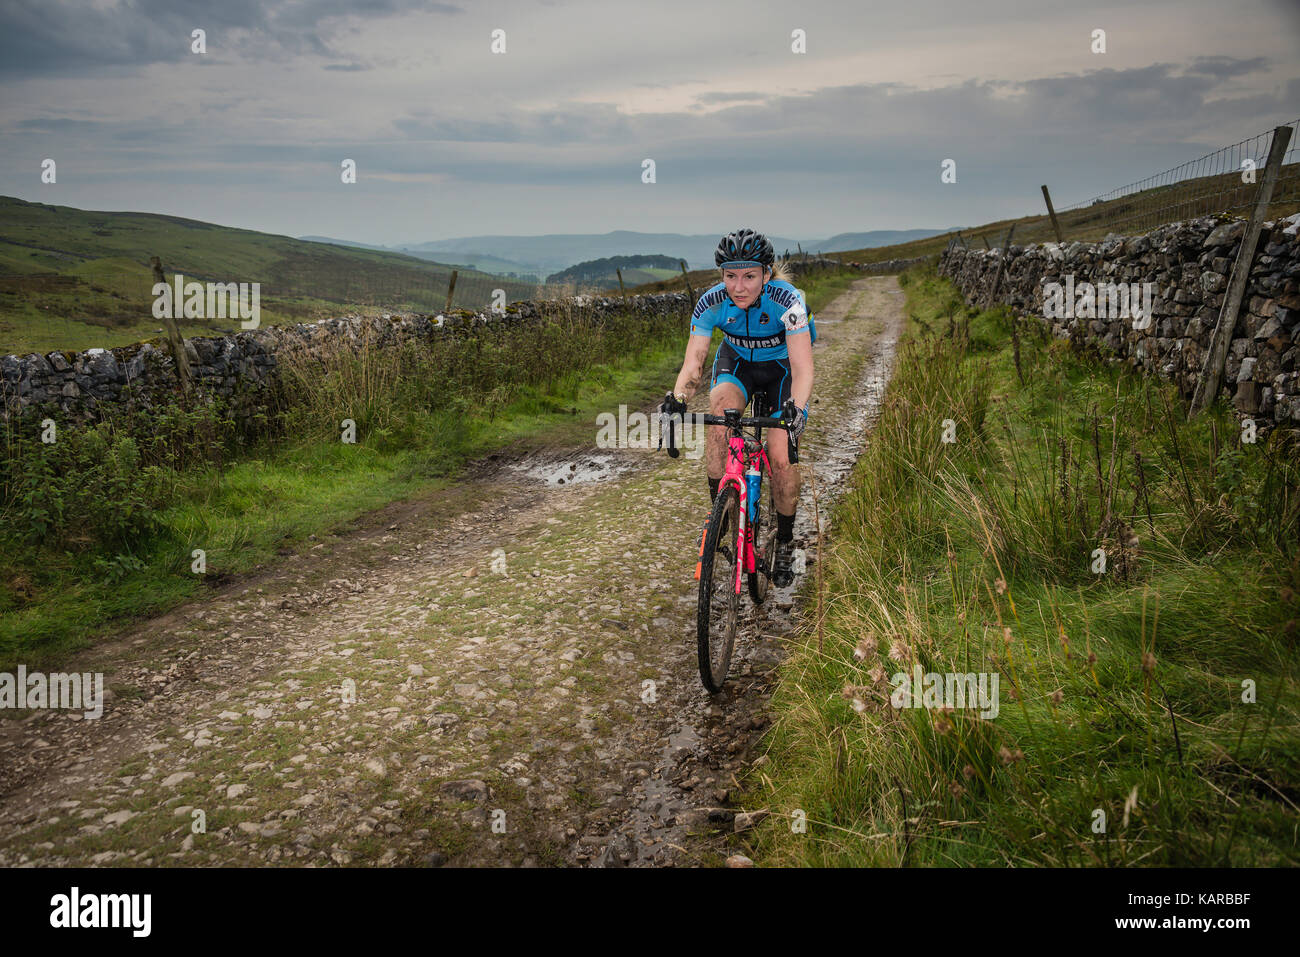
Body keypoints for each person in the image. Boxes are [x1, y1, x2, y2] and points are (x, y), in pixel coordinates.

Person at [660, 227, 816, 587]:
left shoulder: (787, 301)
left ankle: (786, 541)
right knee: (718, 420)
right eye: (731, 276)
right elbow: (694, 363)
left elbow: (804, 368)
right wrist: (678, 399)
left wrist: (796, 410)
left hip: (782, 371)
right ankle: (723, 512)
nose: (739, 286)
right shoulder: (711, 303)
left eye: (749, 276)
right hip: (738, 366)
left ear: (766, 273)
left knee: (779, 455)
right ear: (721, 275)